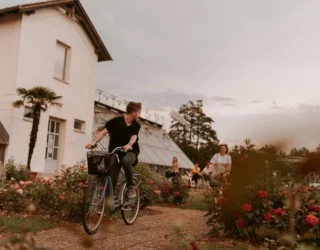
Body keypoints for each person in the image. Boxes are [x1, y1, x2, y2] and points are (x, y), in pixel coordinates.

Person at [86, 101, 142, 198]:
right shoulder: (116, 121)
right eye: (139, 112)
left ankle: (130, 186)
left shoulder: (136, 125)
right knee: (111, 179)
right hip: (114, 152)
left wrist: (129, 144)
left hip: (130, 152)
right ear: (134, 113)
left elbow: (134, 136)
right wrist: (93, 142)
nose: (139, 114)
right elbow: (103, 133)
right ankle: (108, 206)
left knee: (125, 161)